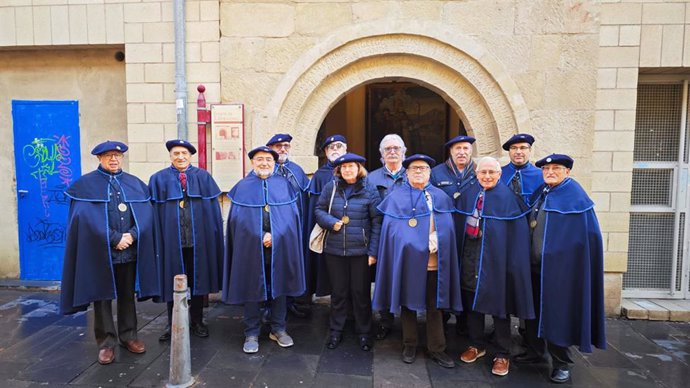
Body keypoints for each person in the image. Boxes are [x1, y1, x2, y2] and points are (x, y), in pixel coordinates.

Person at [60, 140, 158, 365]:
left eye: (117, 155)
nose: (113, 159)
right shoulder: (85, 185)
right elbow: (85, 220)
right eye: (108, 156)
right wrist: (115, 238)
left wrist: (132, 235)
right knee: (102, 297)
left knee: (126, 295)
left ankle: (129, 336)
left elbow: (146, 215)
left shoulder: (135, 184)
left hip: (129, 250)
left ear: (122, 157)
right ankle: (106, 343)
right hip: (101, 251)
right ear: (99, 159)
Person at [516, 154, 606, 384]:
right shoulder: (543, 192)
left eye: (556, 168)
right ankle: (535, 351)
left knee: (558, 317)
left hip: (560, 272)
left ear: (568, 171)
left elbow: (588, 237)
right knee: (533, 313)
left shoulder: (575, 197)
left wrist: (564, 260)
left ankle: (562, 363)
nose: (550, 172)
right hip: (535, 268)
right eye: (546, 169)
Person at [373, 154, 461, 368]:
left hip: (433, 262)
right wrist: (415, 243)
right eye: (414, 168)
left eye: (423, 168)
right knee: (408, 304)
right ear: (407, 172)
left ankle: (437, 348)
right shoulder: (396, 197)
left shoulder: (439, 196)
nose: (419, 171)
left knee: (434, 306)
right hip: (407, 261)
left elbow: (448, 228)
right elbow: (392, 232)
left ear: (430, 172)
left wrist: (437, 239)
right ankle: (409, 344)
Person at [455, 157, 534, 377]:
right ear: (476, 174)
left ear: (499, 174)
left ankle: (502, 353)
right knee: (472, 303)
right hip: (471, 257)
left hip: (497, 261)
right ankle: (476, 345)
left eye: (492, 172)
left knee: (500, 308)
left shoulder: (509, 198)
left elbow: (517, 238)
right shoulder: (469, 195)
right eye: (483, 172)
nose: (487, 176)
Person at [222, 146, 305, 354]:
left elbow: (292, 219)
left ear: (274, 163)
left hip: (280, 246)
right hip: (250, 247)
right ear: (252, 163)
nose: (264, 163)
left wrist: (275, 235)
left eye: (268, 159)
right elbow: (237, 222)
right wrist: (260, 236)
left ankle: (278, 328)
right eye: (260, 159)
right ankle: (251, 331)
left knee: (280, 286)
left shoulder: (284, 186)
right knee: (252, 287)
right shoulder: (242, 187)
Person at [149, 139, 224, 341]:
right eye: (176, 153)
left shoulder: (203, 177)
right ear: (170, 156)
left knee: (198, 282)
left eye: (184, 153)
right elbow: (154, 215)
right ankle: (173, 323)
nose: (180, 157)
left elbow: (213, 214)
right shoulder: (159, 179)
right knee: (172, 282)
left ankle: (198, 321)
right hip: (172, 243)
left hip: (198, 242)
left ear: (191, 156)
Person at [315, 153, 382, 351]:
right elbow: (319, 209)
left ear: (358, 168)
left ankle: (364, 333)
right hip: (335, 250)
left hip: (360, 252)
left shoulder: (370, 189)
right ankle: (336, 331)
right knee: (339, 293)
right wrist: (329, 222)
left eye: (351, 166)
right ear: (339, 170)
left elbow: (377, 222)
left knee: (360, 293)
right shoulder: (332, 187)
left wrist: (373, 252)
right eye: (343, 167)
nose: (347, 170)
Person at [267, 133, 312, 318]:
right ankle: (270, 306)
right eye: (278, 146)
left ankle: (290, 302)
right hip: (274, 230)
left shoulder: (297, 170)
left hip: (296, 228)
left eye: (286, 146)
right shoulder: (266, 170)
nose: (283, 149)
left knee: (292, 265)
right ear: (271, 148)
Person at [367, 134, 407, 341]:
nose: (392, 152)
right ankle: (385, 320)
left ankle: (408, 321)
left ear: (403, 152)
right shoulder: (371, 178)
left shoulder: (412, 175)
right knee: (382, 278)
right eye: (388, 149)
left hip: (408, 237)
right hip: (381, 236)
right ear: (381, 154)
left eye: (396, 148)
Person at [306, 134, 348, 296]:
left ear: (346, 148)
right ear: (325, 151)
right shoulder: (320, 175)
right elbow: (315, 208)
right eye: (331, 147)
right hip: (328, 231)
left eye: (339, 146)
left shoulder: (354, 169)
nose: (335, 149)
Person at [500, 133, 543, 205]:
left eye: (523, 148)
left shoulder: (541, 175)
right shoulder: (499, 173)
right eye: (514, 148)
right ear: (509, 151)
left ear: (530, 150)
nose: (518, 152)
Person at [431, 135, 478, 200]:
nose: (462, 152)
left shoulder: (479, 172)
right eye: (458, 148)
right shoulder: (435, 173)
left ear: (471, 151)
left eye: (465, 148)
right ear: (451, 151)